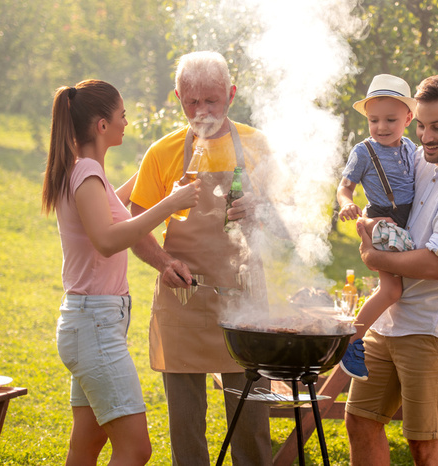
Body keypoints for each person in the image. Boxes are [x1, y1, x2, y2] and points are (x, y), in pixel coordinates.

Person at [42, 79, 200, 465]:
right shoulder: (87, 175)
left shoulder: (82, 171)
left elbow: (118, 201)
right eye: (122, 116)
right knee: (135, 449)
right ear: (101, 125)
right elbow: (108, 239)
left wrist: (153, 165)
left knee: (86, 448)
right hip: (94, 325)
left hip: (89, 323)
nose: (126, 123)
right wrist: (171, 202)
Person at [344, 74, 438, 466]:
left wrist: (376, 258)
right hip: (393, 319)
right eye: (422, 126)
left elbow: (437, 264)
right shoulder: (423, 153)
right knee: (361, 420)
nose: (427, 137)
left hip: (433, 328)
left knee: (424, 444)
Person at [129, 51, 273, 465]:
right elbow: (137, 225)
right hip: (183, 302)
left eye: (211, 100)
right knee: (186, 429)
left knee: (250, 424)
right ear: (178, 97)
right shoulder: (163, 152)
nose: (202, 111)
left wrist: (260, 208)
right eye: (192, 102)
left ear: (230, 93)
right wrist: (162, 263)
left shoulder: (257, 146)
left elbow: (289, 223)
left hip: (243, 302)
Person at [336, 74, 417, 380]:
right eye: (374, 120)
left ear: (408, 118)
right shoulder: (363, 152)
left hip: (408, 220)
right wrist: (347, 204)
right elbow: (344, 188)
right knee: (391, 289)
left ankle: (374, 338)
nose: (381, 127)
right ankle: (352, 341)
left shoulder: (411, 149)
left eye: (390, 120)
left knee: (406, 286)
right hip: (382, 219)